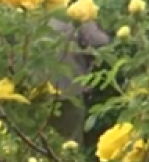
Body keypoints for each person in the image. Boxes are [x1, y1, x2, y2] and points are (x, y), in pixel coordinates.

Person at [46, 18, 111, 146]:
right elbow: (99, 41)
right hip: (69, 91)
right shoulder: (75, 13)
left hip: (30, 93)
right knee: (70, 145)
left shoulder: (19, 8)